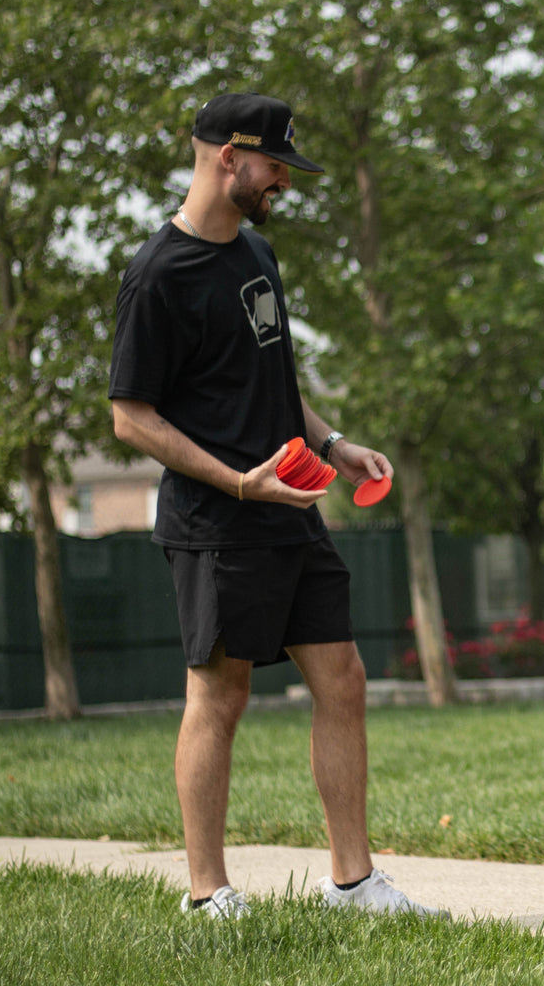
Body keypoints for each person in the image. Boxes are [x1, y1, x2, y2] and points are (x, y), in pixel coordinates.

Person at [109, 93, 438, 919]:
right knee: (220, 697)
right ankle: (206, 895)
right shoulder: (158, 276)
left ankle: (354, 882)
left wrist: (332, 444)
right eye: (275, 166)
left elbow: (275, 381)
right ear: (228, 157)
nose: (284, 182)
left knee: (345, 679)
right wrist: (238, 482)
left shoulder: (256, 252)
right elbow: (131, 417)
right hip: (216, 523)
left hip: (292, 505)